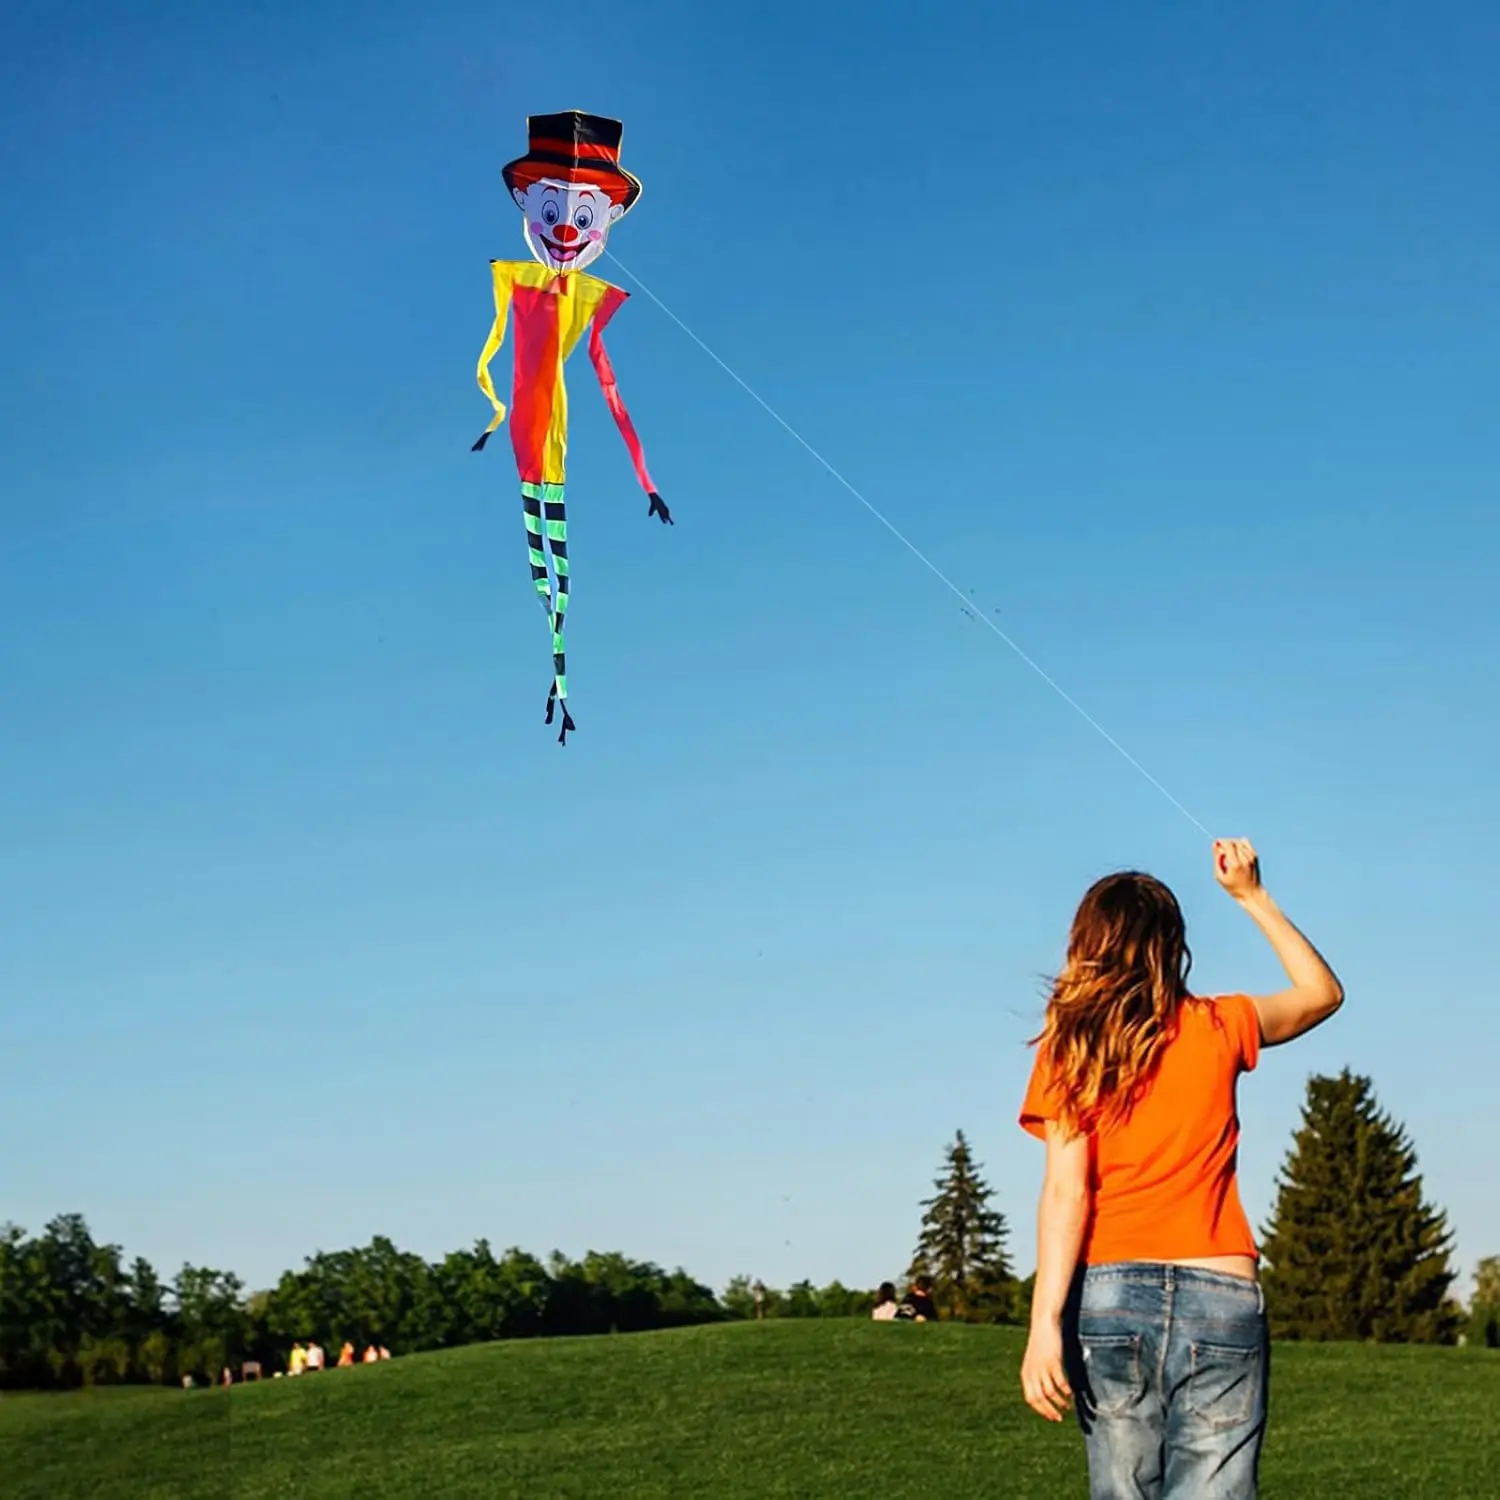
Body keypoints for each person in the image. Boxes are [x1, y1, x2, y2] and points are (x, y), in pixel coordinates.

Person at [1017, 839, 1342, 1499]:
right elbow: (1321, 993)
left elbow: (1066, 1193)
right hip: (1221, 1294)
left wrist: (1043, 1323)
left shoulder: (1072, 1045)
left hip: (1110, 1298)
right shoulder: (1220, 1024)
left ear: (1088, 943)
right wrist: (1252, 896)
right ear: (1171, 946)